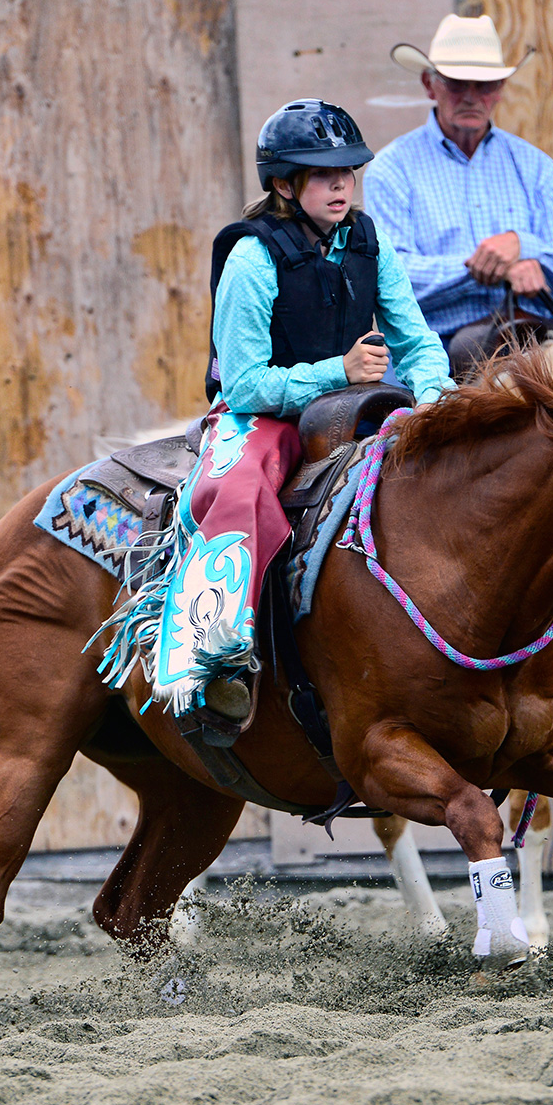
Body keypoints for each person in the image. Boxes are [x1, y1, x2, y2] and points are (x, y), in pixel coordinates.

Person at [151, 99, 453, 729]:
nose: (341, 184)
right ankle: (209, 655)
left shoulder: (370, 243)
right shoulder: (252, 259)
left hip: (353, 407)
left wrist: (437, 402)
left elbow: (417, 343)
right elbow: (243, 381)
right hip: (263, 416)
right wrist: (335, 372)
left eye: (348, 171)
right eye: (322, 174)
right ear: (285, 185)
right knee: (240, 490)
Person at [363, 14, 553, 372]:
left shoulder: (535, 166)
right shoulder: (392, 168)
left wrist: (524, 247)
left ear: (500, 89)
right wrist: (487, 266)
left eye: (484, 85)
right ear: (430, 84)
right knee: (378, 424)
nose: (471, 97)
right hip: (429, 356)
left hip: (532, 353)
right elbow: (389, 282)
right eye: (457, 83)